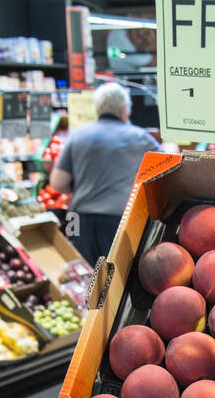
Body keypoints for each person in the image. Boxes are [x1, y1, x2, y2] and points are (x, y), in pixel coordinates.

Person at [49, 81, 162, 266]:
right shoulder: (140, 138)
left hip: (77, 219)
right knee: (114, 278)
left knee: (83, 274)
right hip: (119, 220)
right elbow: (166, 173)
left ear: (97, 108)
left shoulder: (78, 135)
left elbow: (58, 182)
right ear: (124, 109)